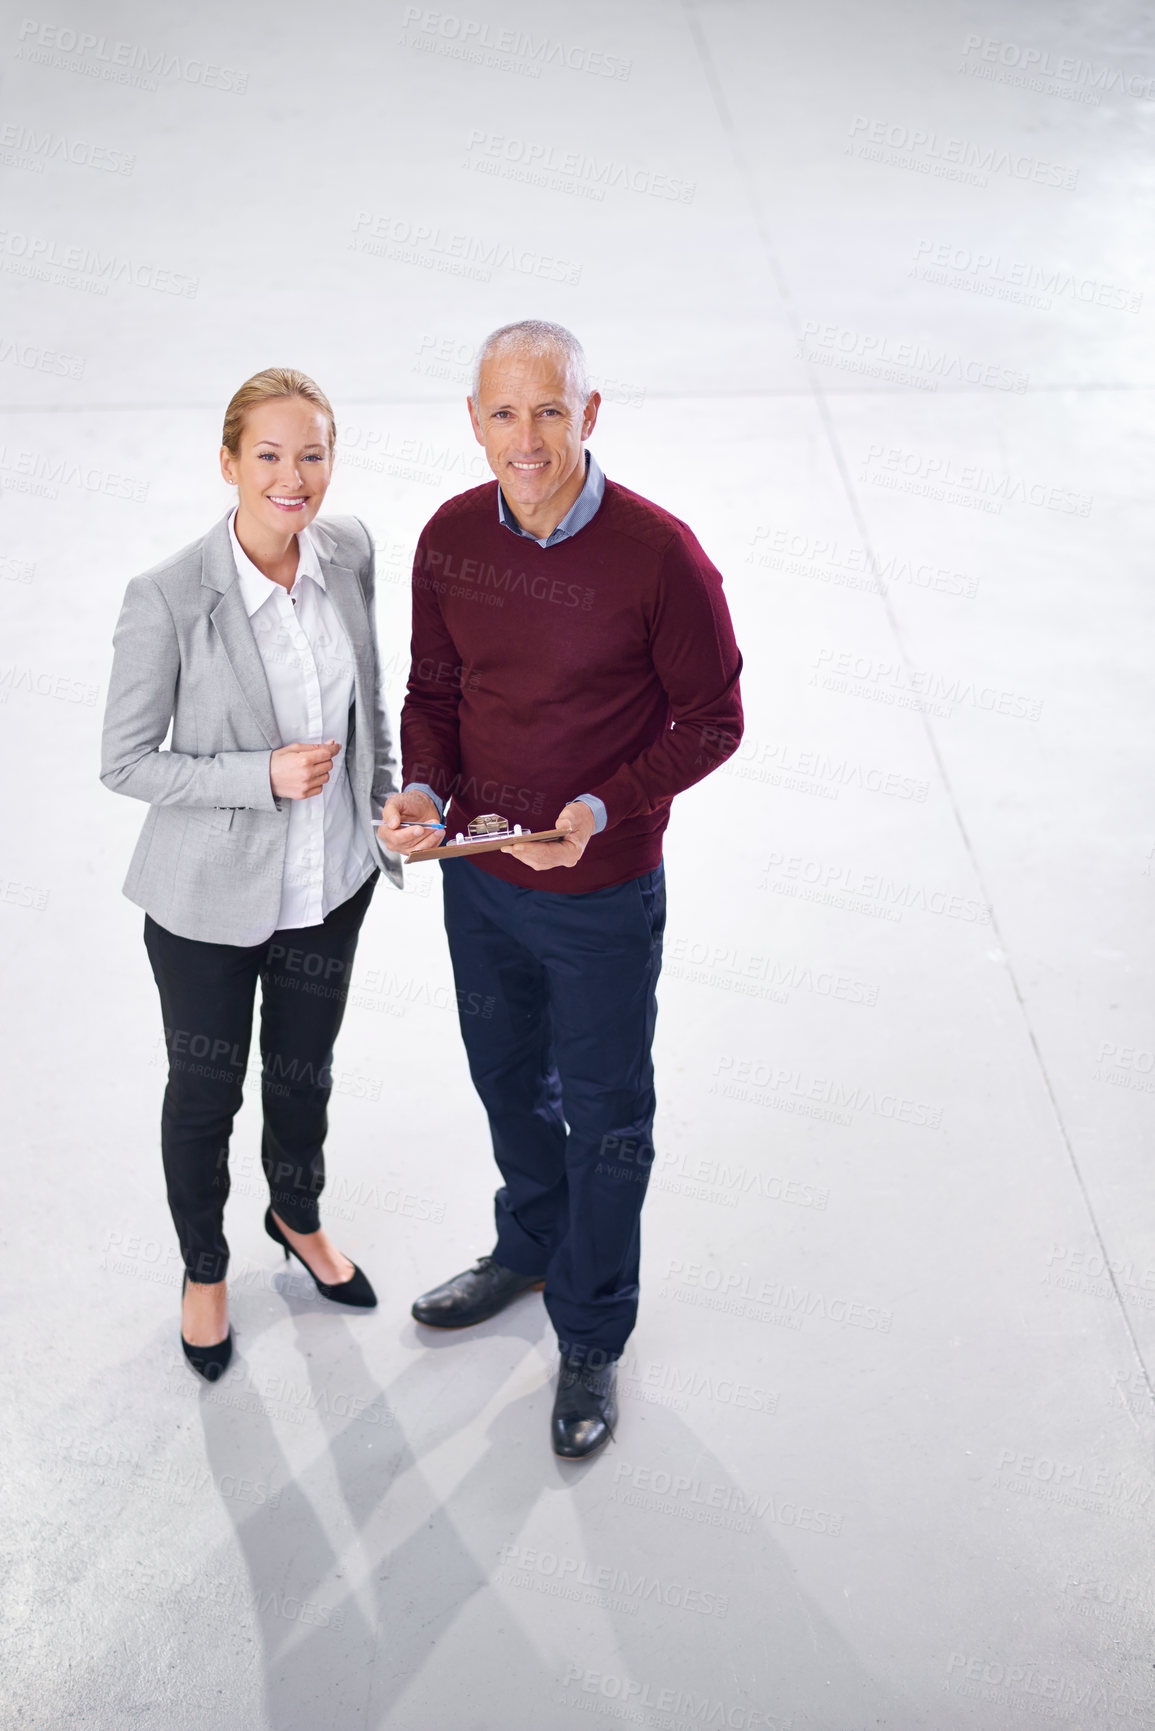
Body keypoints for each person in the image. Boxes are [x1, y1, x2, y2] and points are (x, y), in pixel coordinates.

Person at [378, 321, 743, 1458]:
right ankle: (528, 1247)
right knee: (505, 1080)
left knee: (606, 1118)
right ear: (475, 421)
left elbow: (715, 720)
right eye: (502, 413)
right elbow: (432, 696)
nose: (524, 439)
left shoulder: (658, 555)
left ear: (589, 416)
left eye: (548, 412)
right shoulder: (447, 538)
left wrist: (600, 810)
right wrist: (426, 798)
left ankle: (590, 1330)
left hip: (600, 896)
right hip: (477, 880)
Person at [101, 367, 401, 1381]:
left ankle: (296, 1215)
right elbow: (125, 760)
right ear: (228, 463)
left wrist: (384, 804)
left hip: (332, 886)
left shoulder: (350, 551)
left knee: (303, 1077)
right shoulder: (168, 598)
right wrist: (259, 776)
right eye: (268, 455)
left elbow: (374, 703)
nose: (292, 476)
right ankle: (204, 1268)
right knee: (206, 1093)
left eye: (311, 453)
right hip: (207, 908)